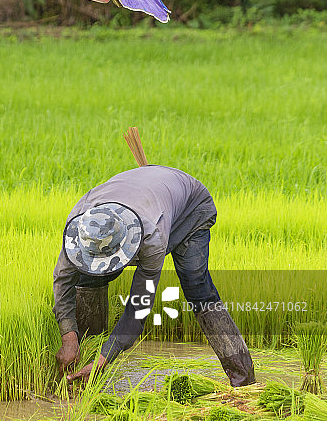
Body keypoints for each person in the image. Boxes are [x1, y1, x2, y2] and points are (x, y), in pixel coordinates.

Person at [53, 164, 255, 387]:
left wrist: (104, 358)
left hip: (190, 209)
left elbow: (138, 308)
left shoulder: (152, 237)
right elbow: (62, 280)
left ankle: (243, 378)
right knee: (88, 278)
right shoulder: (80, 227)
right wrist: (68, 336)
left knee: (197, 288)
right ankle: (85, 367)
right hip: (148, 192)